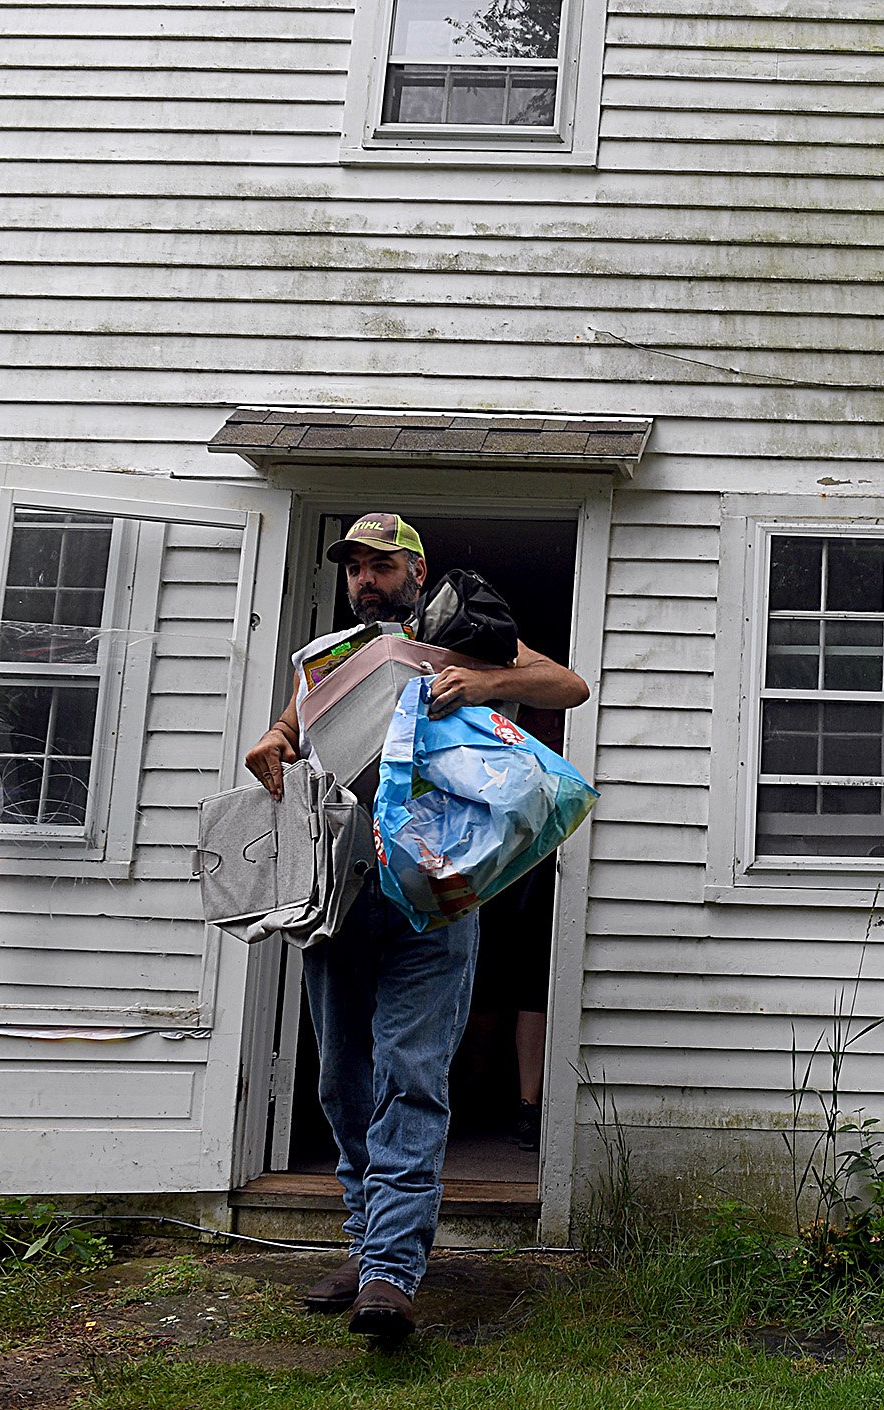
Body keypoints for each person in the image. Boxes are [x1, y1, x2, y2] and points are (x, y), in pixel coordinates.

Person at [242, 512, 587, 1340]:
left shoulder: (458, 637)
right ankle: (368, 1249)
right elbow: (295, 732)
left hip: (430, 900)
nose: (366, 578)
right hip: (336, 895)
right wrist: (273, 739)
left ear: (417, 572)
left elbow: (567, 687)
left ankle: (392, 1270)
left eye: (382, 565)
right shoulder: (328, 659)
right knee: (342, 1081)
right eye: (355, 566)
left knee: (410, 1074)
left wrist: (485, 682)